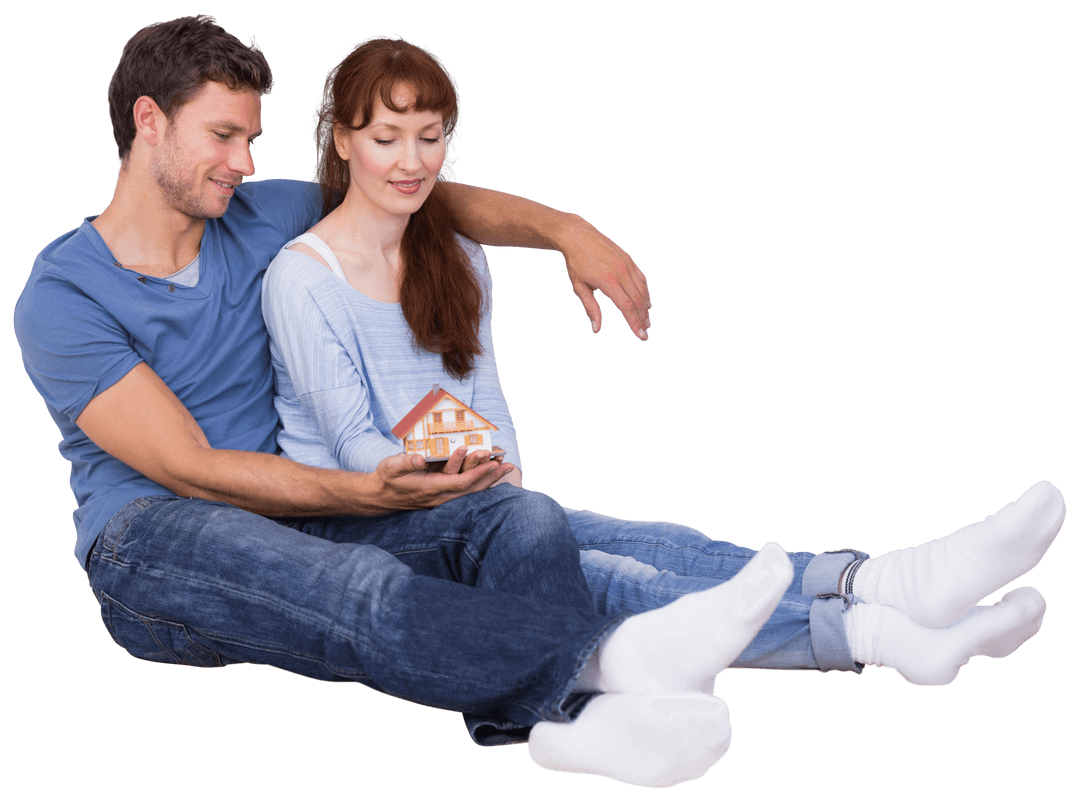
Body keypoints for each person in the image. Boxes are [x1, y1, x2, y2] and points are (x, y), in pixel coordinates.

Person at [14, 15, 821, 789]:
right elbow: (191, 469)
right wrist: (363, 492)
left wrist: (565, 230)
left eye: (251, 140)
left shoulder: (262, 215)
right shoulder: (63, 295)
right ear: (148, 121)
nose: (244, 164)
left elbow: (424, 200)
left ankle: (569, 727)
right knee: (356, 590)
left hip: (297, 506)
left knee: (523, 517)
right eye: (222, 137)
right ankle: (614, 663)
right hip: (152, 544)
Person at [259, 32, 1067, 774]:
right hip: (371, 514)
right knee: (604, 568)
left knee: (653, 541)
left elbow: (482, 396)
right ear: (340, 140)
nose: (410, 160)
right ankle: (878, 631)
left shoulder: (460, 258)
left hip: (470, 497)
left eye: (428, 137)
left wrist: (497, 475)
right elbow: (354, 441)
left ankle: (877, 581)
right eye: (385, 138)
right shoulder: (304, 276)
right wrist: (440, 477)